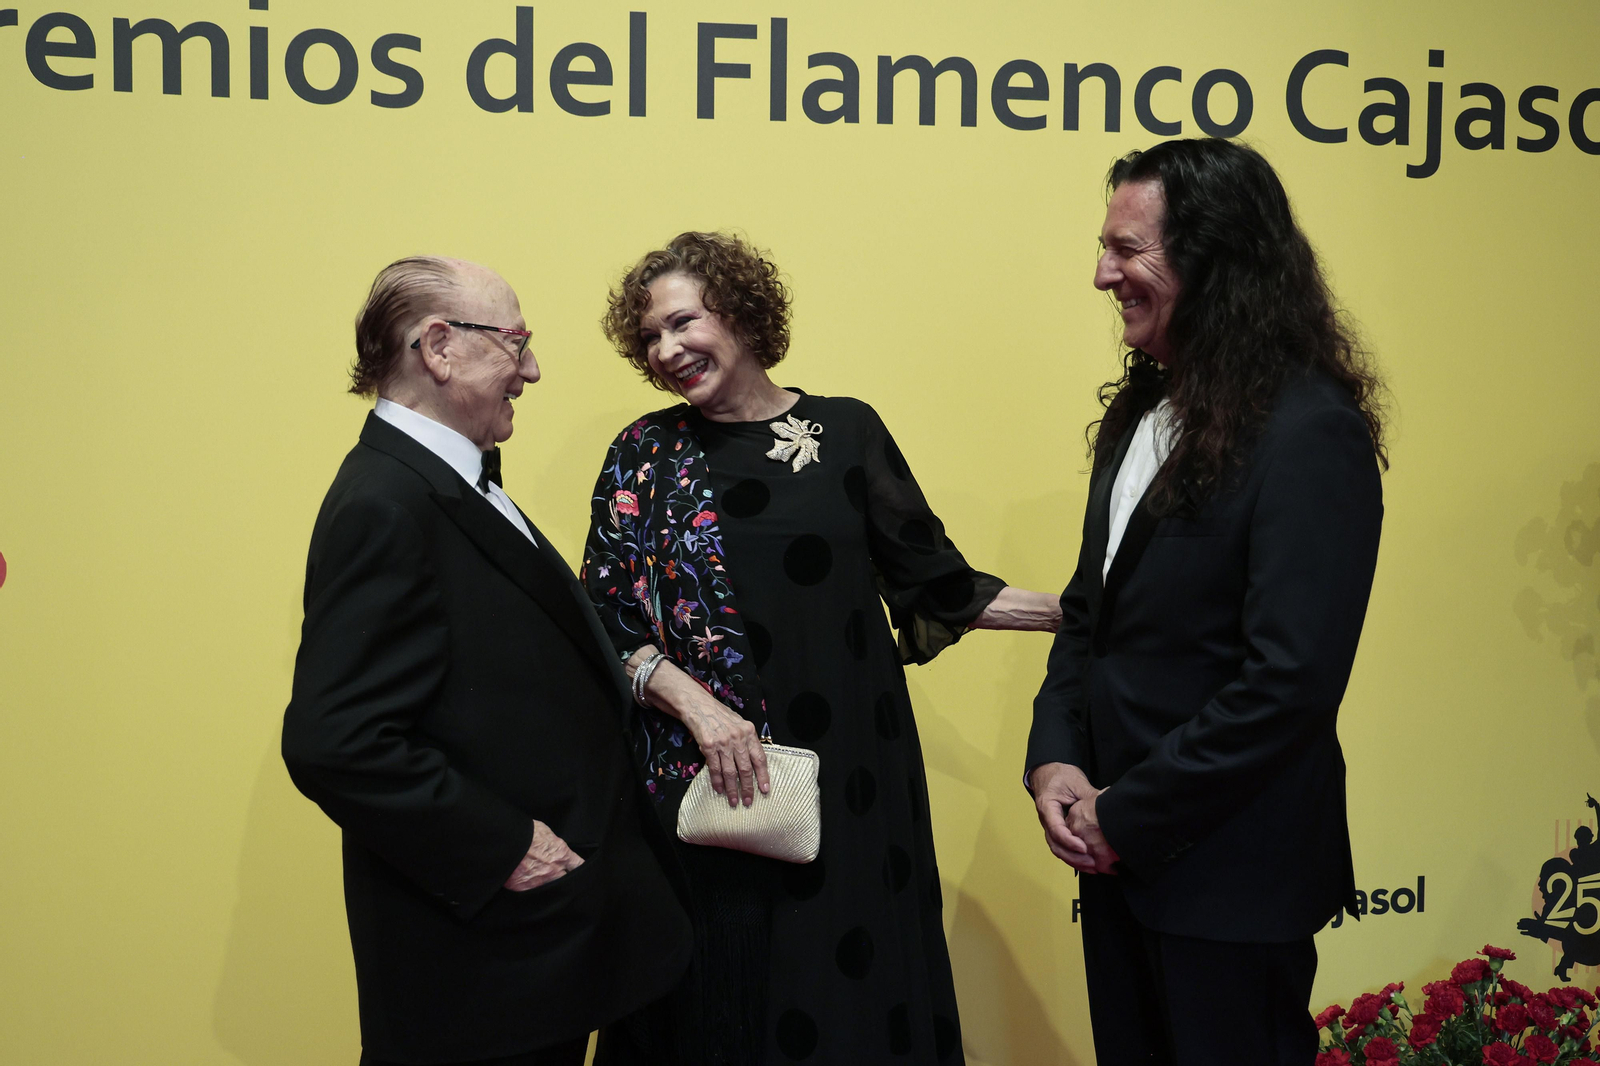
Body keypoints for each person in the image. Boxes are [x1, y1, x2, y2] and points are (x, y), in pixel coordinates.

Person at [581, 231, 1061, 1065]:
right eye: (650, 337)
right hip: (712, 786)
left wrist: (1099, 614)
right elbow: (604, 620)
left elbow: (942, 587)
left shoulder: (844, 433)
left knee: (849, 994)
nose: (667, 350)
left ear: (737, 311)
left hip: (853, 779)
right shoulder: (643, 454)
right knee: (726, 1007)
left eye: (683, 321)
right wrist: (702, 712)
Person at [1025, 138, 1387, 1065]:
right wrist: (1056, 761)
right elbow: (1089, 618)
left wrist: (1127, 813)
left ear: (1216, 258)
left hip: (1229, 878)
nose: (1102, 274)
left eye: (1128, 249)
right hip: (1114, 866)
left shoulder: (1311, 434)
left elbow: (1289, 685)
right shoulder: (1136, 414)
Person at [282, 256, 691, 1066]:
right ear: (439, 346)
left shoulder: (446, 481)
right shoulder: (384, 502)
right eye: (516, 343)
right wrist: (508, 846)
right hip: (482, 967)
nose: (531, 370)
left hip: (541, 952)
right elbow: (336, 742)